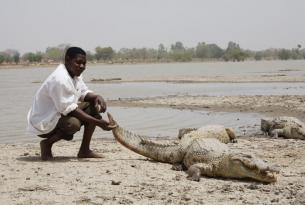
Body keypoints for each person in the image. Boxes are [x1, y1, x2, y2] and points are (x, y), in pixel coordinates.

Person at [27, 47, 116, 160]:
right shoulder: (60, 79)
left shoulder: (73, 74)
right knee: (73, 124)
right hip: (44, 121)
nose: (82, 66)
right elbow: (70, 109)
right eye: (78, 62)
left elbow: (83, 92)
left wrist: (97, 97)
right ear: (67, 59)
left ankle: (84, 150)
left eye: (84, 63)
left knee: (93, 106)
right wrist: (98, 122)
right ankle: (47, 144)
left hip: (58, 113)